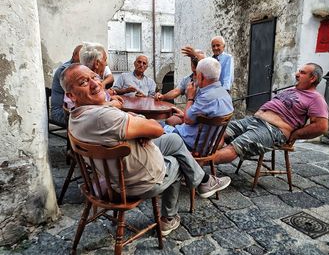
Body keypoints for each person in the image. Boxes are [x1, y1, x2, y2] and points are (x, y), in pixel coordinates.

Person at [60, 64, 231, 236]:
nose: (95, 83)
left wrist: (133, 124)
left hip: (121, 168)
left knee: (174, 139)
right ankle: (169, 218)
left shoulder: (77, 117)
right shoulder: (104, 117)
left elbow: (123, 118)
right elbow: (155, 129)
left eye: (94, 76)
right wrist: (140, 123)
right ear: (71, 95)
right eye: (83, 82)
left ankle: (204, 182)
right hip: (137, 181)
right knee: (179, 160)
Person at [214, 63, 329, 164]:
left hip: (273, 130)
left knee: (234, 147)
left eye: (302, 73)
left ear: (313, 78)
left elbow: (321, 126)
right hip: (254, 120)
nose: (297, 74)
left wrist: (296, 134)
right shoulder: (293, 89)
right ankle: (204, 158)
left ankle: (199, 167)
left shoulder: (316, 98)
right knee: (218, 132)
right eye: (299, 71)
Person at [165, 57, 234, 150]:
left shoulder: (206, 97)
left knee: (157, 125)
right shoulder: (226, 95)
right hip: (210, 145)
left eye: (197, 75)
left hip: (190, 143)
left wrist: (190, 97)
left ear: (201, 76)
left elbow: (187, 120)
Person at [51, 44, 82, 126]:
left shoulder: (78, 68)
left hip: (70, 109)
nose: (84, 60)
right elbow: (79, 94)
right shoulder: (66, 70)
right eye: (81, 56)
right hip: (61, 112)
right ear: (74, 55)